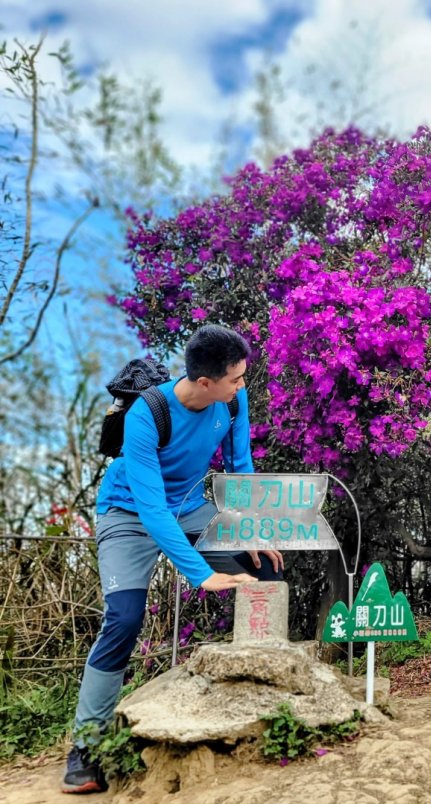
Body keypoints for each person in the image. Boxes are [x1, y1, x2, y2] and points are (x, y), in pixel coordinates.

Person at [63, 324, 284, 794]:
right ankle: (85, 746)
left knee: (261, 569)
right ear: (206, 382)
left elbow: (238, 468)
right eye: (236, 379)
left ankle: (270, 704)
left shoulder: (231, 402)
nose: (242, 387)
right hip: (128, 511)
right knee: (123, 618)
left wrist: (250, 528)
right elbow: (151, 508)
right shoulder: (147, 415)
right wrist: (201, 575)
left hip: (188, 506)